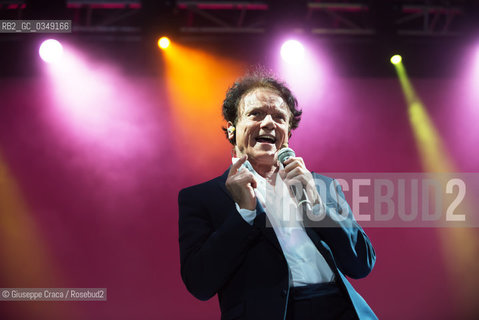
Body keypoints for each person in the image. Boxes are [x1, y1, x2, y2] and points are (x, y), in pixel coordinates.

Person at [178, 69, 377, 320]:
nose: (269, 123)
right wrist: (244, 214)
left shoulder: (321, 185)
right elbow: (200, 283)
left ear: (288, 134)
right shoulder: (202, 198)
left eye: (279, 117)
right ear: (231, 130)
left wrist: (316, 206)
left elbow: (361, 264)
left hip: (341, 310)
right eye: (256, 114)